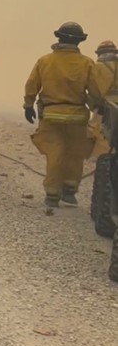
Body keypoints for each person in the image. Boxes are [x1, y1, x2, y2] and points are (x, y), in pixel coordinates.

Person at [24, 22, 103, 208]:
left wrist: (28, 105)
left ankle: (52, 194)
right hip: (77, 118)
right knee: (75, 153)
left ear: (58, 38)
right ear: (79, 42)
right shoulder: (87, 63)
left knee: (55, 154)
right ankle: (69, 190)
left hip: (51, 117)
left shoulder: (45, 61)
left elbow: (32, 84)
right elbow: (95, 92)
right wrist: (99, 108)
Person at [89, 41, 118, 157]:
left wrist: (95, 106)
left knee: (98, 134)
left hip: (105, 108)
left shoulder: (96, 68)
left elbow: (93, 90)